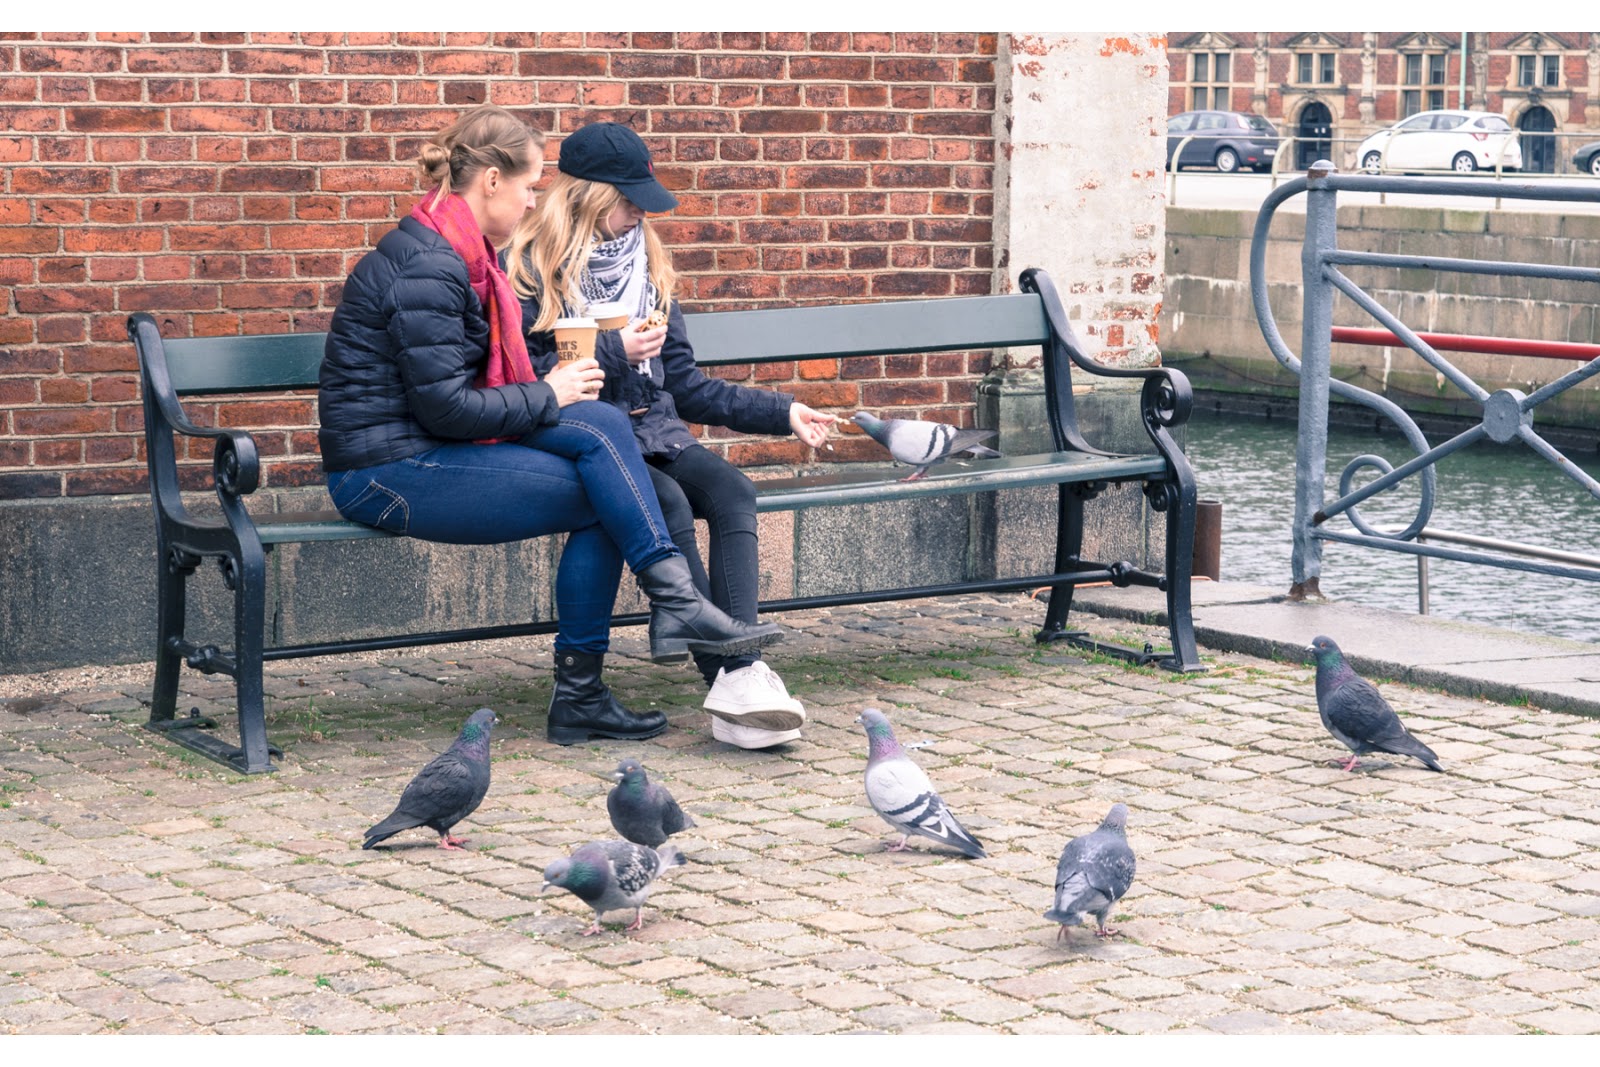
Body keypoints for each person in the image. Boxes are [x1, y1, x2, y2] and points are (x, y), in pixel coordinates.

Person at [317, 106, 782, 747]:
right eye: (530, 185)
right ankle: (651, 626)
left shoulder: (461, 254)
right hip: (385, 473)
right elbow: (446, 410)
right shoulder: (431, 266)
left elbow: (471, 398)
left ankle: (627, 655)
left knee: (601, 446)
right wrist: (548, 391)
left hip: (431, 451)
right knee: (606, 486)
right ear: (490, 182)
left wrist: (556, 394)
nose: (535, 199)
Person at [506, 122, 837, 750]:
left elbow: (685, 386)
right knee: (672, 501)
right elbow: (518, 373)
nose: (637, 214)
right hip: (577, 437)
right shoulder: (525, 269)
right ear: (585, 196)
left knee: (732, 490)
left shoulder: (648, 269)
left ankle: (740, 674)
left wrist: (784, 410)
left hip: (654, 431)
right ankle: (736, 680)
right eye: (627, 200)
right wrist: (612, 345)